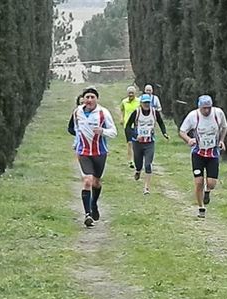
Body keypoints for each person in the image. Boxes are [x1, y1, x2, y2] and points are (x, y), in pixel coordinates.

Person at [72, 87, 117, 227]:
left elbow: (114, 132)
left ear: (97, 99)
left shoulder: (103, 113)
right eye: (87, 97)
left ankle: (94, 204)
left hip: (99, 153)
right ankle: (87, 214)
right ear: (83, 99)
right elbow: (76, 129)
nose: (90, 100)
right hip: (83, 152)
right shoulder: (77, 112)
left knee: (96, 182)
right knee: (87, 181)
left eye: (92, 97)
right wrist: (76, 144)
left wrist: (102, 131)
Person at [179, 95, 227, 218]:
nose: (206, 111)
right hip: (198, 153)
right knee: (198, 182)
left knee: (211, 183)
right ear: (199, 107)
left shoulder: (218, 114)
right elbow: (182, 131)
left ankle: (207, 191)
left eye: (209, 108)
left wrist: (221, 141)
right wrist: (188, 140)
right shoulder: (193, 116)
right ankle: (201, 207)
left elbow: (224, 127)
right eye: (204, 108)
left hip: (212, 153)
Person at [125, 94, 169, 194]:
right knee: (138, 163)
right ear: (141, 103)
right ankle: (138, 171)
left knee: (148, 164)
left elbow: (161, 123)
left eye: (148, 103)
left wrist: (164, 133)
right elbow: (127, 126)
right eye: (144, 103)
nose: (146, 105)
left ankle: (146, 188)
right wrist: (135, 135)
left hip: (150, 142)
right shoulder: (136, 112)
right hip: (138, 143)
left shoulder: (154, 112)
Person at [119, 86, 140, 169]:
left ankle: (138, 159)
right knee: (130, 143)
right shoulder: (124, 102)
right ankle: (130, 160)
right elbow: (121, 109)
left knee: (137, 143)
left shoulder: (139, 101)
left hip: (137, 125)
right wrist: (121, 118)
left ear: (135, 93)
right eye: (129, 93)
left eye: (132, 93)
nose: (131, 94)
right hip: (127, 125)